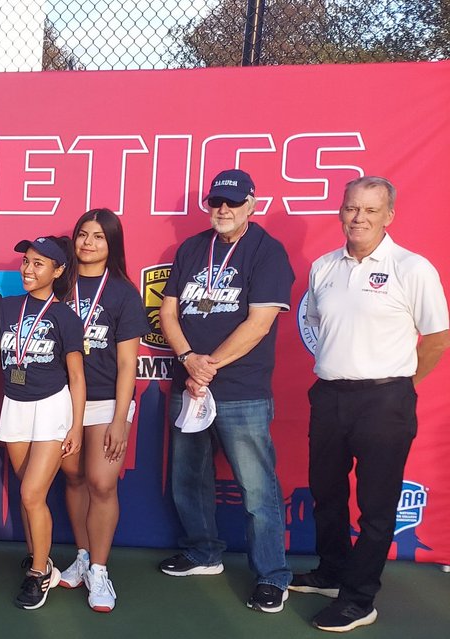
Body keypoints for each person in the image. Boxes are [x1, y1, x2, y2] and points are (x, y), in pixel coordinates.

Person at [291, 176, 449, 632]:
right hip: (329, 395)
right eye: (351, 208)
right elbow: (320, 322)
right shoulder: (324, 266)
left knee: (376, 504)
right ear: (341, 211)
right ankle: (332, 571)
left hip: (385, 399)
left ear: (389, 216)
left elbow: (437, 339)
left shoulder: (411, 267)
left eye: (370, 210)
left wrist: (401, 384)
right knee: (327, 491)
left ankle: (360, 599)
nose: (358, 218)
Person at [158, 169, 294, 613]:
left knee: (257, 488)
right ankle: (203, 552)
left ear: (252, 204)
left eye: (233, 202)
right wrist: (186, 360)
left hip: (241, 388)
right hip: (190, 381)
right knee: (189, 477)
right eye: (216, 201)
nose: (223, 209)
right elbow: (168, 309)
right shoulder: (193, 248)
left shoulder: (267, 252)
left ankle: (273, 576)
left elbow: (260, 322)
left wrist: (207, 365)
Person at [57, 209, 149, 612]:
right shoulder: (59, 284)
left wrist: (120, 418)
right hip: (62, 399)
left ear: (112, 244)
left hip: (107, 401)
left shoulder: (123, 292)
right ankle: (80, 555)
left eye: (98, 236)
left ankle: (99, 569)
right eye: (82, 235)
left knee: (102, 482)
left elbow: (128, 364)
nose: (88, 243)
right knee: (74, 478)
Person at [0, 236, 85, 610]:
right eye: (26, 262)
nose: (28, 270)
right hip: (15, 405)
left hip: (51, 406)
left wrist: (76, 426)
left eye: (38, 264)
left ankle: (38, 575)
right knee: (25, 491)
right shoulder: (7, 307)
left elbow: (77, 377)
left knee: (33, 494)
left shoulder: (65, 315)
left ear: (58, 271)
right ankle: (40, 555)